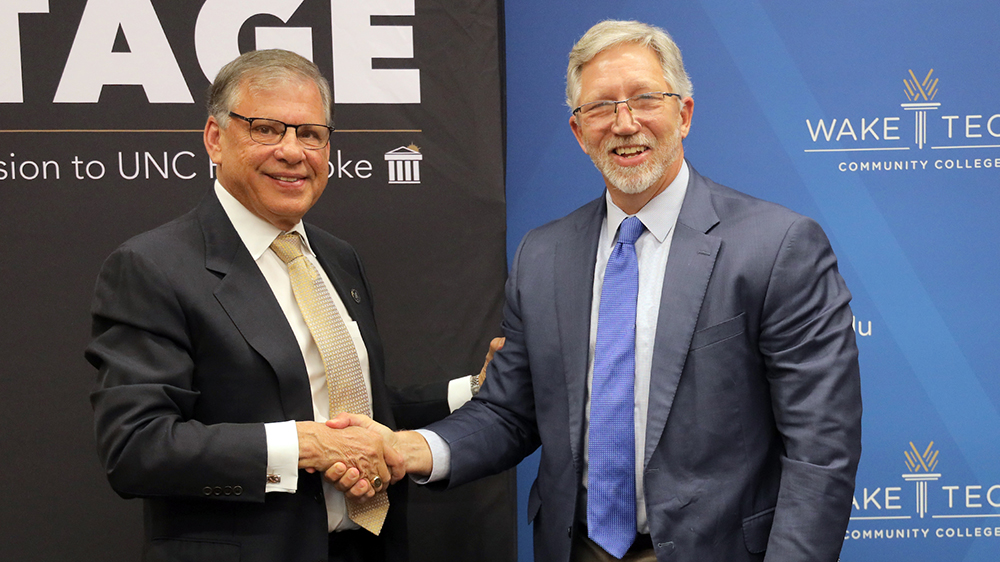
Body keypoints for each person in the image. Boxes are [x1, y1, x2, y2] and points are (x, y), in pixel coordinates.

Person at [332, 19, 862, 562]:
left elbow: (821, 449)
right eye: (601, 107)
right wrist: (409, 449)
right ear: (578, 131)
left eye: (644, 99)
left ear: (684, 114)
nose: (625, 123)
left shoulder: (776, 247)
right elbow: (510, 413)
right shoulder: (543, 255)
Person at [86, 49, 498, 562]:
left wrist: (475, 391)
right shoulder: (153, 266)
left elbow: (353, 411)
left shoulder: (337, 257)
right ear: (215, 138)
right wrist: (303, 447)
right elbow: (136, 448)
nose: (292, 151)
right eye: (266, 129)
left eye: (311, 134)